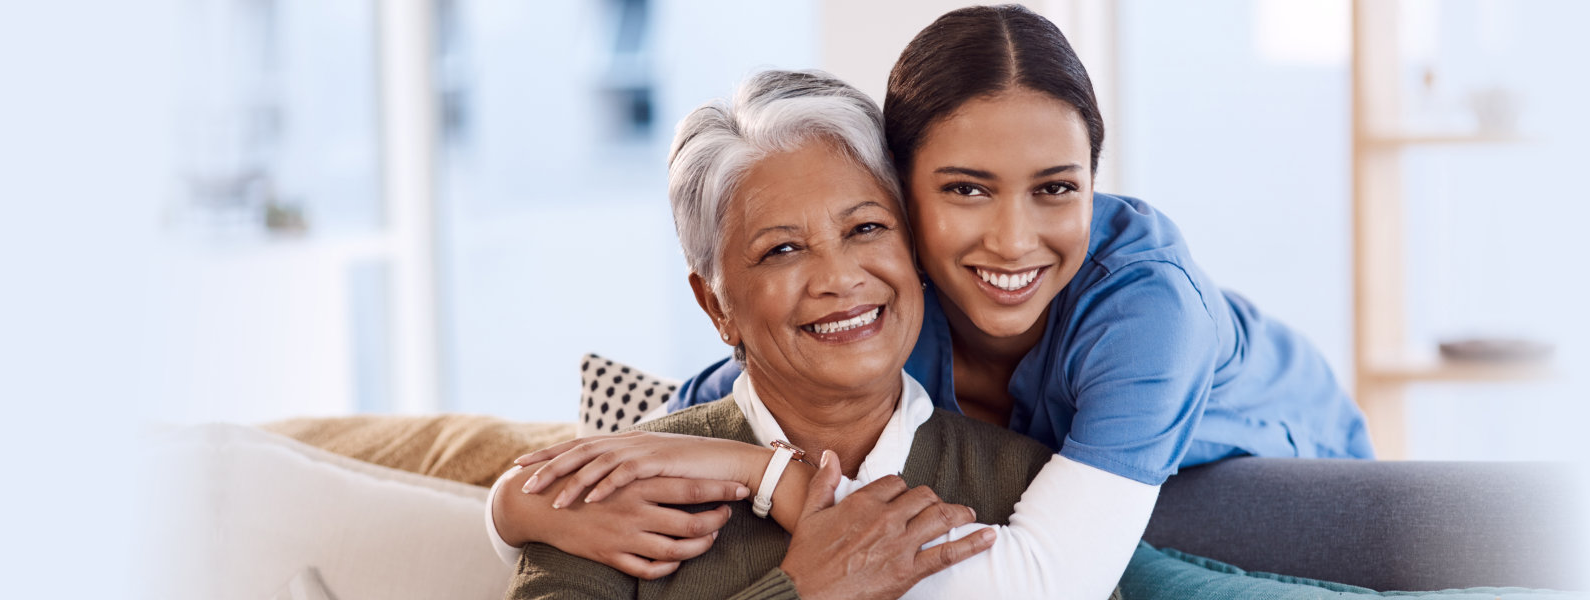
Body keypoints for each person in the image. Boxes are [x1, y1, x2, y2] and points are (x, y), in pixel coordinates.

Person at [507, 4, 1373, 596]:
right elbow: (689, 426)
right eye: (965, 190)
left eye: (1057, 187)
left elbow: (1044, 582)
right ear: (905, 198)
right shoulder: (884, 309)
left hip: (1284, 479)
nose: (1011, 239)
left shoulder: (1145, 309)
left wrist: (772, 483)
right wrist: (509, 508)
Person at [490, 69, 1124, 600]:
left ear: (916, 253)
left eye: (867, 229)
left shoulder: (1024, 487)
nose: (839, 279)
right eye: (784, 249)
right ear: (716, 305)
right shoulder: (612, 495)